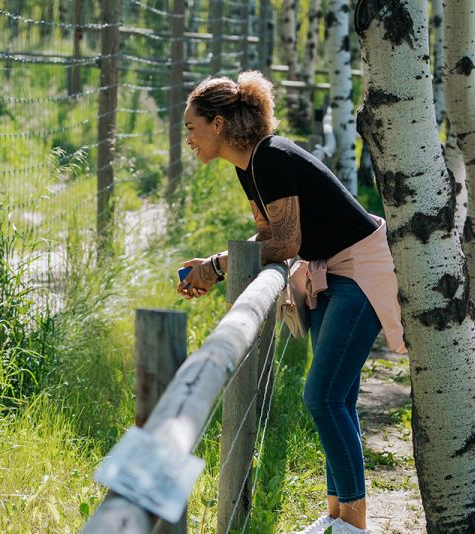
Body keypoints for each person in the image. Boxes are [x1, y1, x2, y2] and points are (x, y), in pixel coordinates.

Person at [176, 71, 405, 534]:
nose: (188, 139)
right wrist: (213, 263)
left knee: (322, 395)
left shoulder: (271, 158)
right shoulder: (250, 167)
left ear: (218, 124)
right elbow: (269, 237)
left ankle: (355, 525)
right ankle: (337, 515)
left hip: (359, 269)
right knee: (336, 396)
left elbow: (286, 240)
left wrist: (219, 267)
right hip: (331, 270)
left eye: (191, 127)